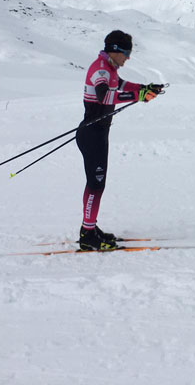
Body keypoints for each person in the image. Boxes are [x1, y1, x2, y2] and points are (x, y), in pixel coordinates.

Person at [76, 30, 164, 251]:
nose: (128, 58)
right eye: (126, 53)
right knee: (96, 185)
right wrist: (138, 96)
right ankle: (87, 236)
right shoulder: (100, 70)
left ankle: (89, 228)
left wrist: (144, 88)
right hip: (91, 135)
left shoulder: (110, 69)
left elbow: (121, 85)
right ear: (115, 50)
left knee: (97, 184)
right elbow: (104, 96)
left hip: (99, 134)